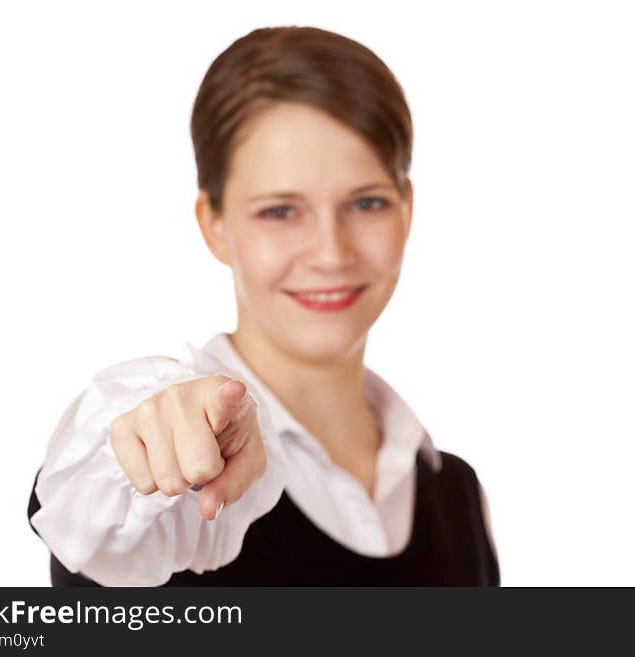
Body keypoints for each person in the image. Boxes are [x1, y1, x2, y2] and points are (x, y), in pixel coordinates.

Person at [27, 25, 500, 586]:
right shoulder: (174, 484)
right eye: (279, 211)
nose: (330, 252)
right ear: (214, 225)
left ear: (407, 210)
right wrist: (143, 454)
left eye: (367, 202)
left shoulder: (455, 494)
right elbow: (93, 524)